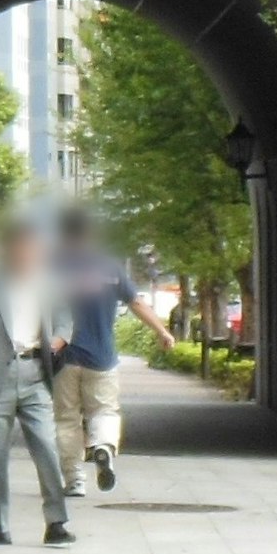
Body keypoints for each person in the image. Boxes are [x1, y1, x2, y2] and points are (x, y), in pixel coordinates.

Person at [0, 211, 73, 547]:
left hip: (36, 373)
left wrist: (59, 340)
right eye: (21, 247)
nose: (27, 253)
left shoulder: (49, 281)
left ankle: (56, 521)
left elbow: (66, 319)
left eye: (33, 247)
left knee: (47, 449)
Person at [50, 205, 176, 494]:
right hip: (102, 356)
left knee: (66, 419)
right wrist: (162, 331)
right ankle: (103, 446)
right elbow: (137, 303)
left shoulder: (54, 266)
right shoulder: (109, 267)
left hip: (63, 357)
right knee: (104, 410)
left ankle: (74, 481)